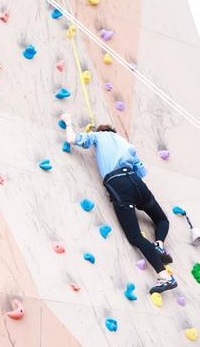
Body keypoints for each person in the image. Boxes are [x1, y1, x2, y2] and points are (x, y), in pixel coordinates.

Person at [61, 113, 177, 294]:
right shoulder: (126, 144)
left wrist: (68, 121)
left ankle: (165, 276)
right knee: (162, 219)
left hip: (118, 184)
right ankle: (159, 244)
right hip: (136, 182)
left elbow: (72, 139)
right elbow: (141, 172)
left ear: (101, 131)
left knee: (135, 237)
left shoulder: (97, 136)